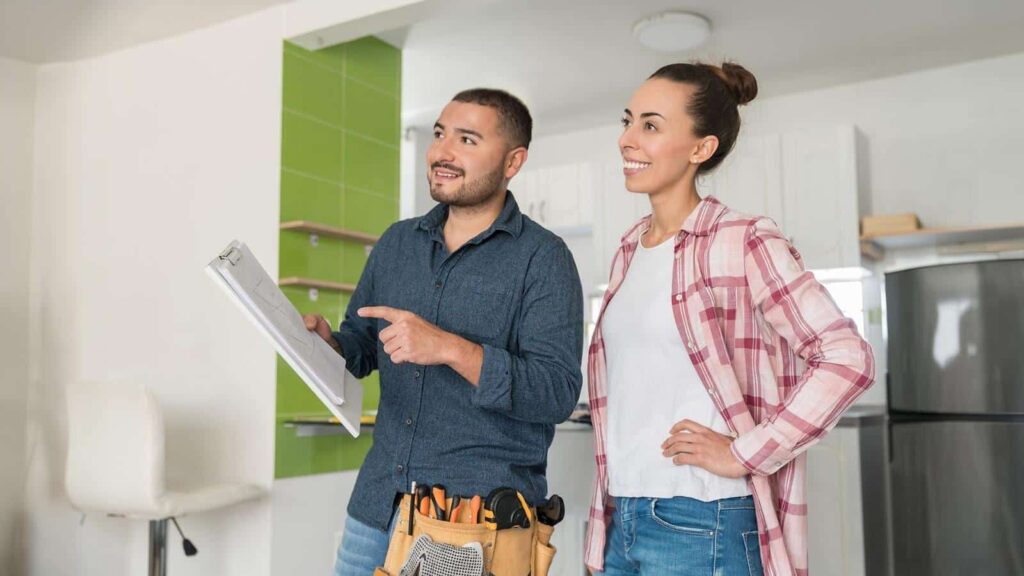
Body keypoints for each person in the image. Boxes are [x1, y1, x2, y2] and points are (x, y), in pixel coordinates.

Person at [584, 62, 875, 576]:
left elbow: (847, 358)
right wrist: (603, 530)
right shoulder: (628, 250)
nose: (627, 139)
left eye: (650, 125)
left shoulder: (743, 240)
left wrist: (745, 454)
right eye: (627, 121)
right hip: (622, 516)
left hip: (704, 520)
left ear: (701, 148)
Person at [303, 88, 584, 576]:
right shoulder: (397, 243)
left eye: (467, 139)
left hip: (473, 521)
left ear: (513, 161)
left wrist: (450, 348)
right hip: (376, 504)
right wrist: (328, 346)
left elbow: (556, 392)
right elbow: (362, 346)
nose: (442, 152)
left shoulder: (544, 258)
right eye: (439, 134)